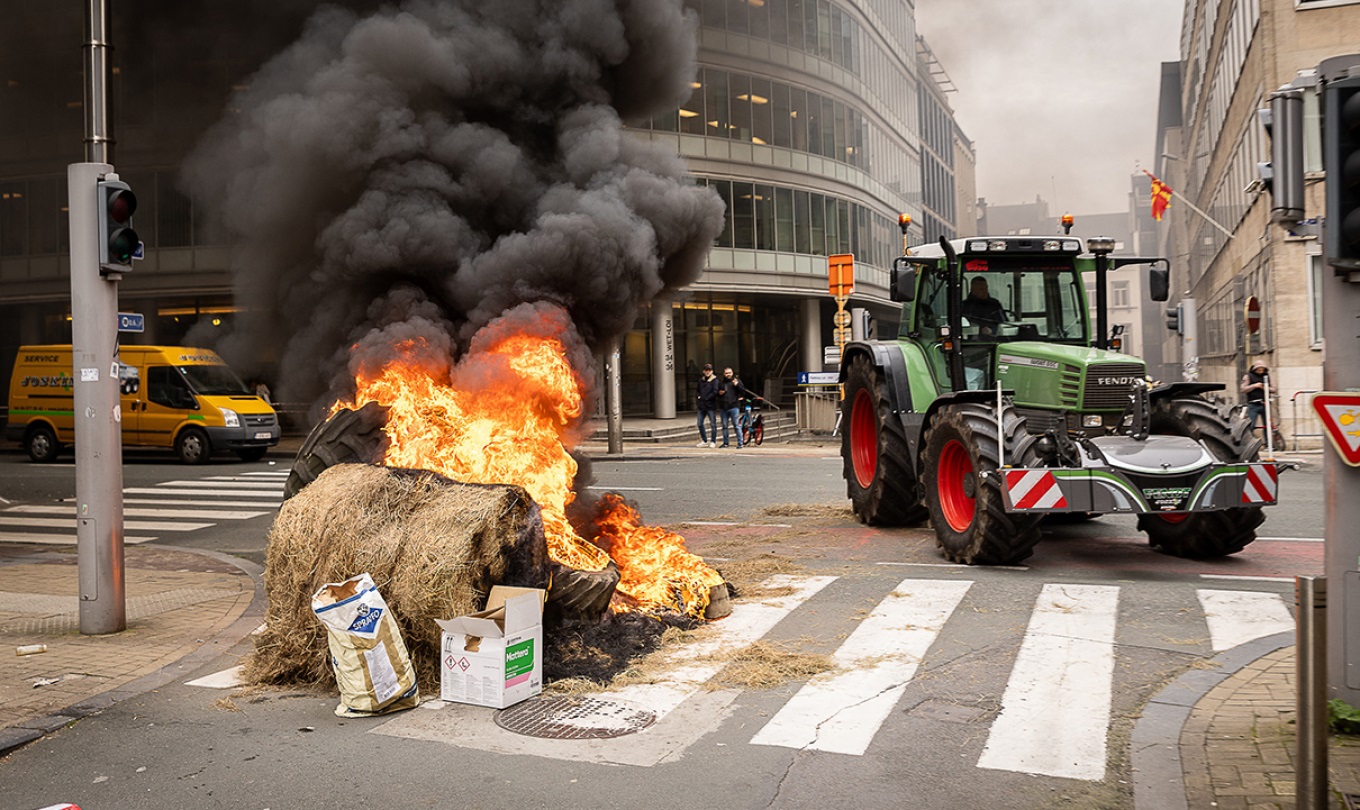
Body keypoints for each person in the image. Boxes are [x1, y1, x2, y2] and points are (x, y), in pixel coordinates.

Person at [717, 367, 755, 448]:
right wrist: (719, 394)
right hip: (724, 407)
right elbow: (717, 395)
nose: (728, 374)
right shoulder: (721, 383)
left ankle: (740, 443)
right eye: (726, 373)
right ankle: (726, 443)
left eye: (729, 373)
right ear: (724, 374)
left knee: (736, 425)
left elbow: (743, 391)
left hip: (734, 407)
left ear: (732, 373)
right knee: (724, 426)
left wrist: (737, 385)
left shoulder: (736, 381)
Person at [1240, 362, 1269, 433]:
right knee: (1251, 424)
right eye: (1259, 370)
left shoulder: (1266, 376)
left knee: (1268, 425)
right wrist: (1255, 386)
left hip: (1265, 404)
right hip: (1253, 404)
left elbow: (1274, 389)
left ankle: (1268, 442)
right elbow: (1243, 389)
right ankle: (1249, 440)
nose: (1261, 372)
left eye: (1262, 370)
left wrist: (1265, 388)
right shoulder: (1248, 376)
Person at [696, 363, 719, 448]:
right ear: (703, 371)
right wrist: (698, 397)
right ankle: (704, 440)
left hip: (710, 405)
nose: (707, 372)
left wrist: (706, 398)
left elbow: (715, 391)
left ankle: (713, 441)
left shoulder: (715, 380)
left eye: (709, 370)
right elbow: (697, 390)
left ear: (712, 371)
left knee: (713, 424)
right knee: (700, 423)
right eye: (706, 370)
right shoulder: (701, 380)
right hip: (701, 406)